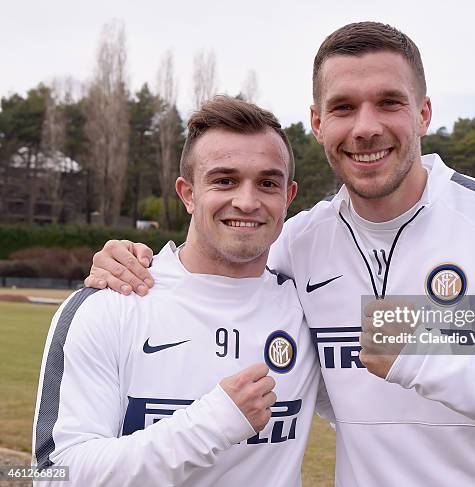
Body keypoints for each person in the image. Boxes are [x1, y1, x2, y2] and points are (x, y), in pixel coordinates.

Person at [85, 22, 475, 486]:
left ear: (423, 112)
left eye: (389, 102)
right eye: (343, 107)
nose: (365, 127)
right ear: (317, 122)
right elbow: (216, 275)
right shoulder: (297, 243)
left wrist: (423, 353)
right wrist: (126, 260)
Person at [32, 96, 323, 486]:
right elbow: (54, 475)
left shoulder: (309, 306)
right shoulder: (111, 302)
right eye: (225, 180)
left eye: (267, 183)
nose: (247, 201)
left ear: (287, 198)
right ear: (187, 194)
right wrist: (210, 425)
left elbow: (409, 370)